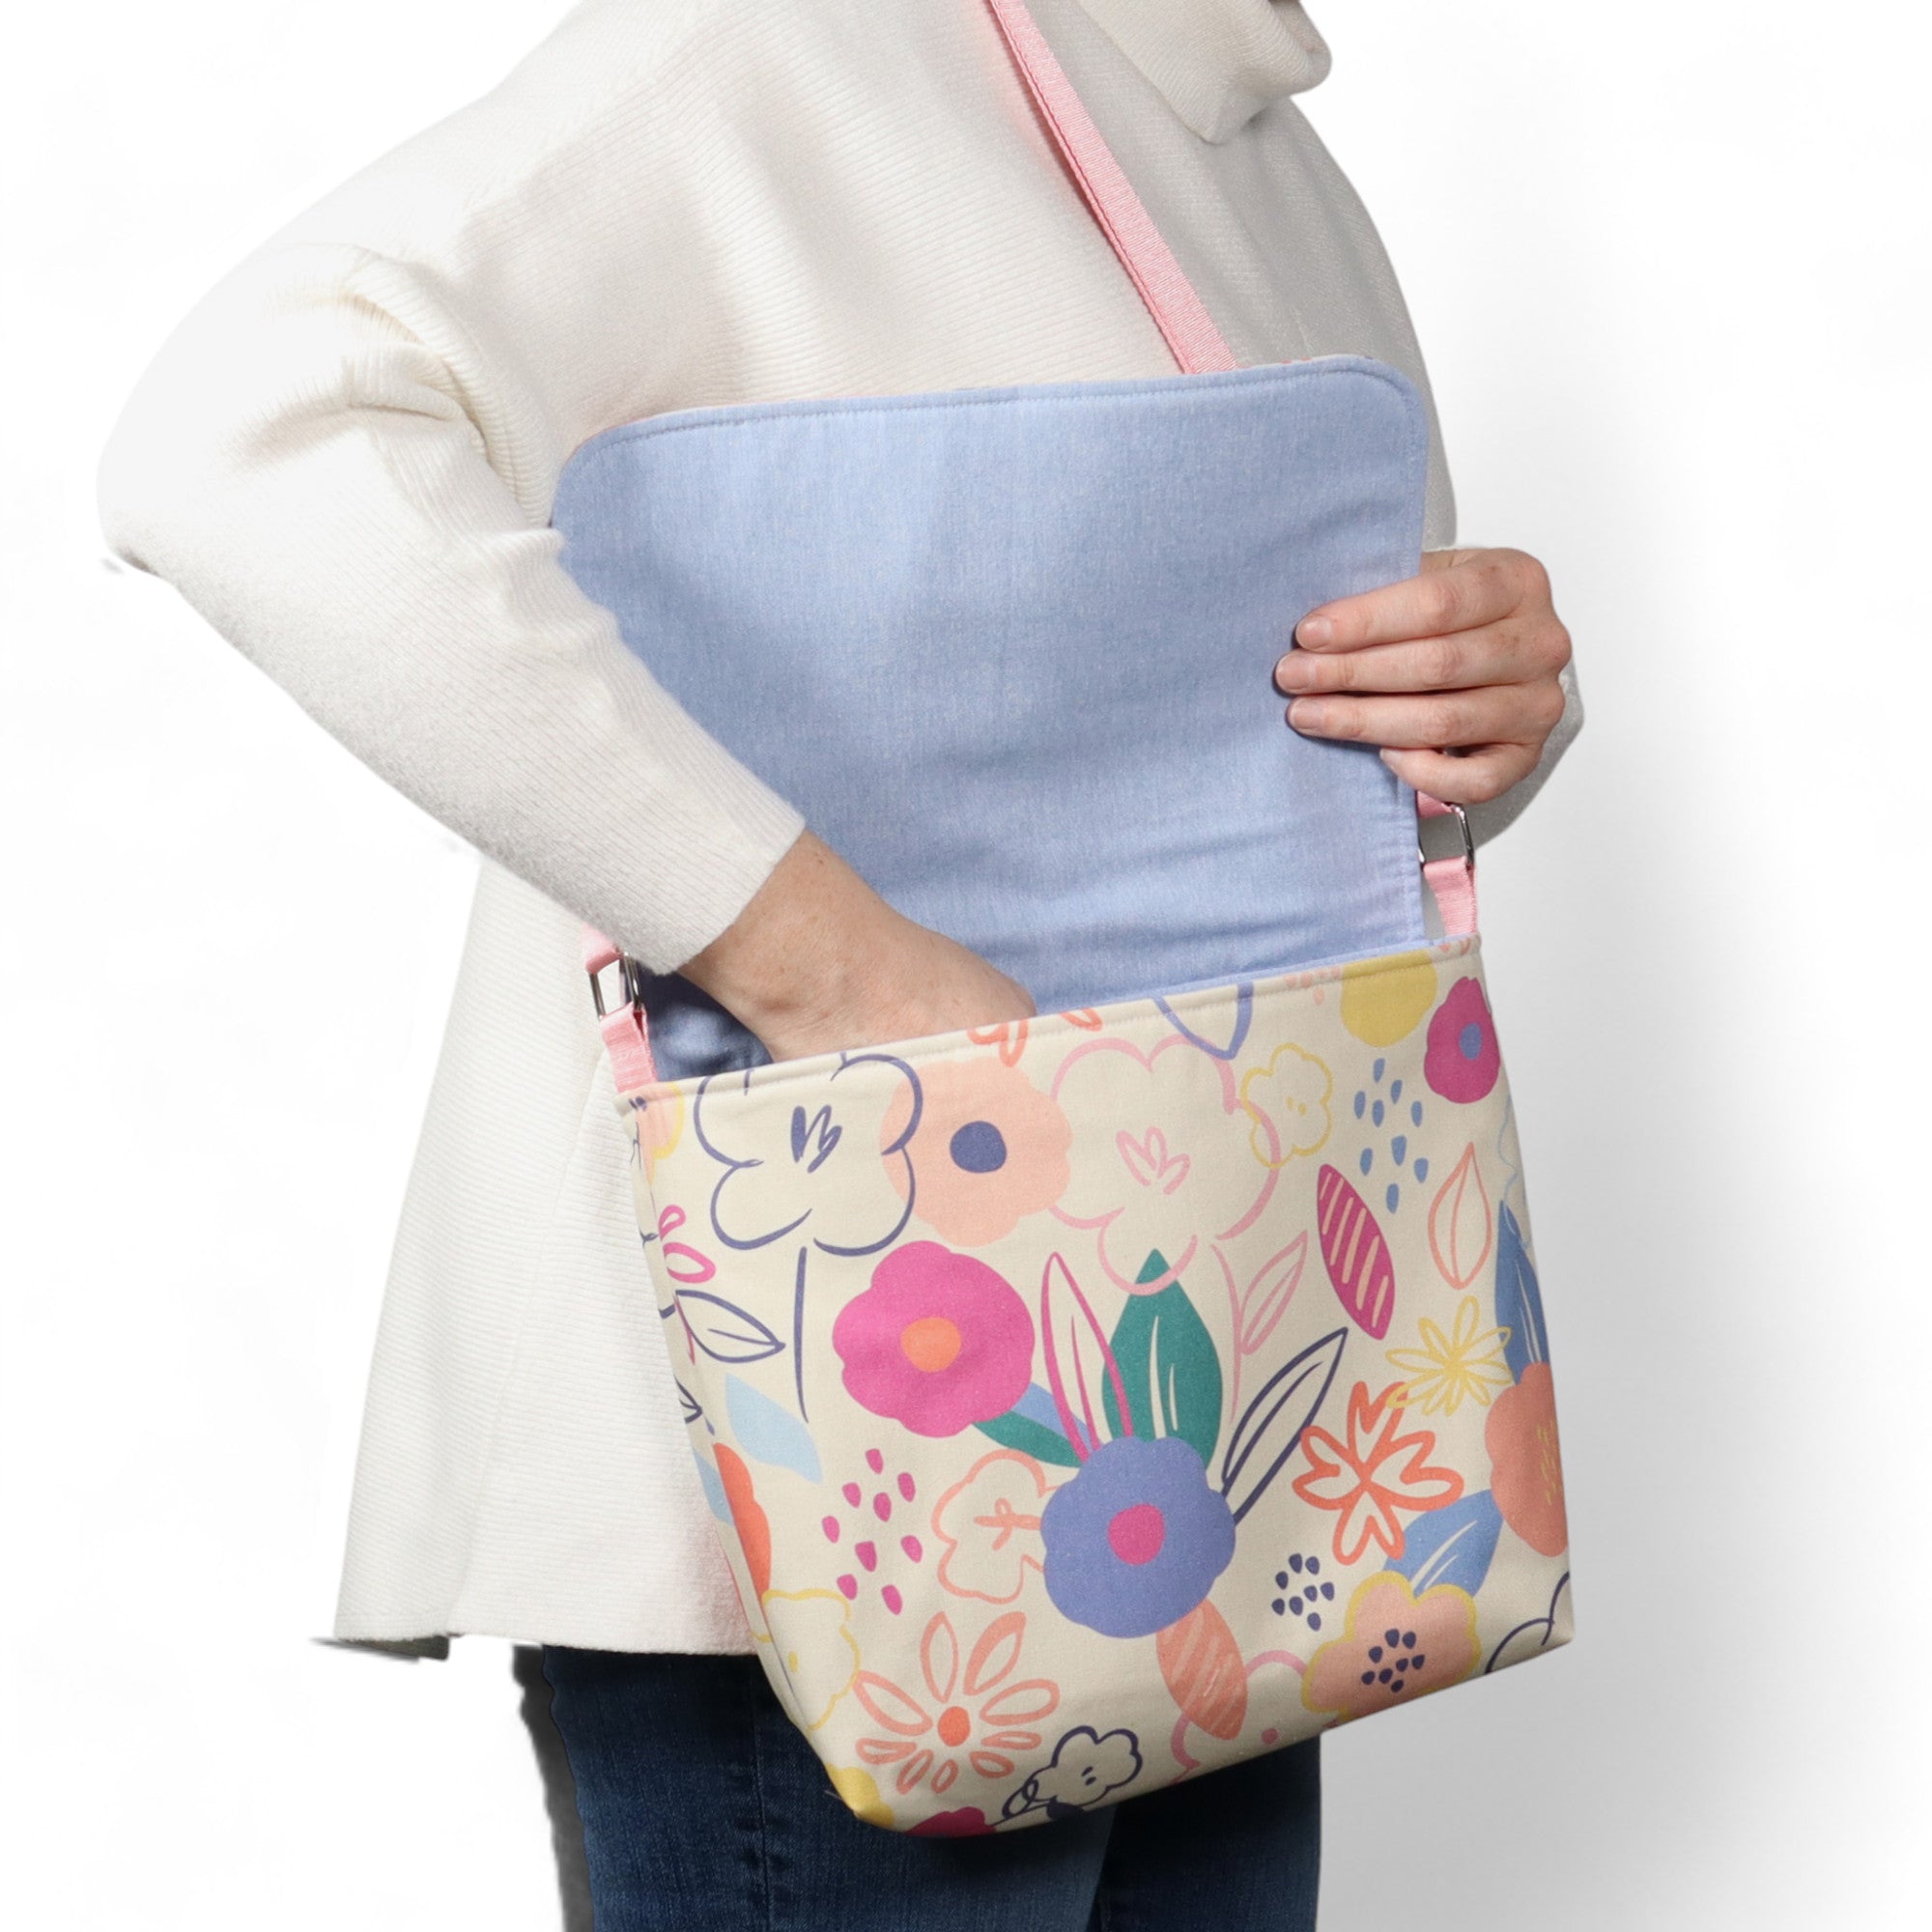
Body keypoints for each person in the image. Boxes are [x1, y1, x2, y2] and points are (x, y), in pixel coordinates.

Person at [98, 2, 1577, 1925]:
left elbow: (1252, 780)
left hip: (1221, 1416)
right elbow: (244, 440)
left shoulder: (1272, 163)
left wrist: (1477, 717)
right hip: (816, 1478)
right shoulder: (764, 48)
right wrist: (839, 975)